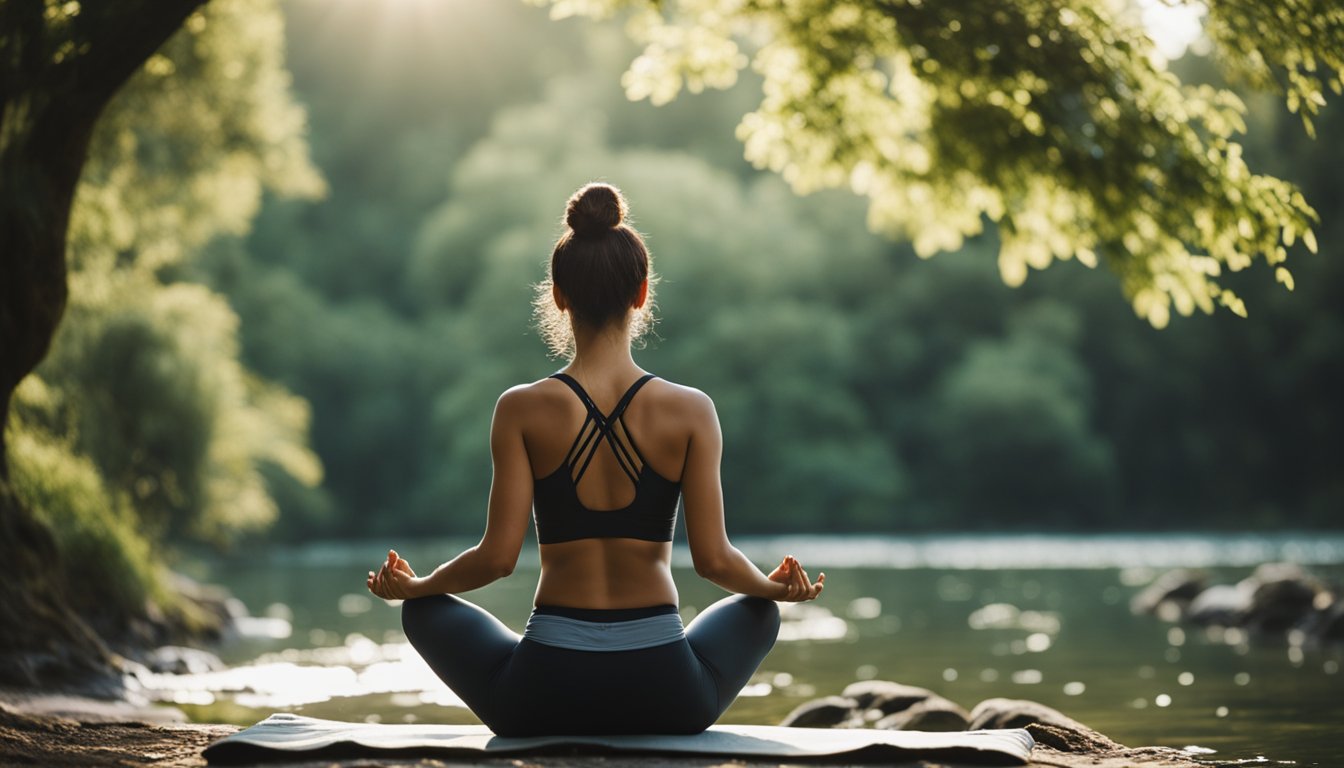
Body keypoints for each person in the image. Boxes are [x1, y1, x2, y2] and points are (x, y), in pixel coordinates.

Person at [366, 182, 825, 737]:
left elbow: (495, 560)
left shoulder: (520, 409)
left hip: (540, 696)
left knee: (425, 610)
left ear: (559, 296)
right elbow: (714, 562)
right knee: (757, 610)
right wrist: (775, 589)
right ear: (642, 293)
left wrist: (416, 588)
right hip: (669, 697)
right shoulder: (691, 411)